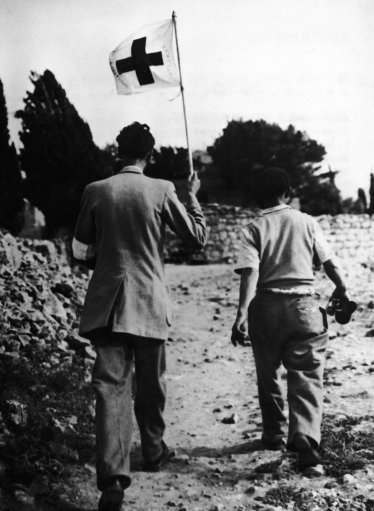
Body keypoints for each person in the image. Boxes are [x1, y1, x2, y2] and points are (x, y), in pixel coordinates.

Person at [72, 122, 206, 511]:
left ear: (118, 151)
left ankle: (113, 479)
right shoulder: (162, 189)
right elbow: (196, 239)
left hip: (108, 305)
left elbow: (80, 250)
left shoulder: (95, 190)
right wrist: (191, 197)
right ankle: (152, 449)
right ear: (149, 154)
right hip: (149, 301)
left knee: (111, 390)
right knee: (151, 384)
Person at [231, 167, 348, 476]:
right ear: (287, 193)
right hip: (306, 307)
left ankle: (273, 435)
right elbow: (328, 262)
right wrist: (342, 287)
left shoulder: (252, 228)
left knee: (267, 371)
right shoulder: (308, 222)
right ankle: (306, 438)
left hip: (267, 306)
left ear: (258, 196)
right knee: (308, 373)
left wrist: (242, 312)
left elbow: (250, 272)